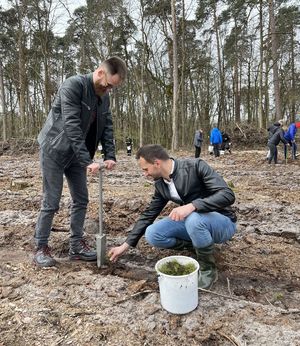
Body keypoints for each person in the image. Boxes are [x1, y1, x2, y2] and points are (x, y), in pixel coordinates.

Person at [34, 57, 127, 267]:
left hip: (77, 154)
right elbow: (71, 125)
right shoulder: (73, 85)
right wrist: (88, 160)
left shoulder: (104, 97)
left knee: (82, 199)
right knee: (51, 201)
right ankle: (40, 246)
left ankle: (76, 246)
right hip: (54, 150)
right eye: (109, 85)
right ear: (100, 72)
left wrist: (110, 155)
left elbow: (107, 126)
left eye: (114, 87)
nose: (109, 89)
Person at [108, 144, 237, 289]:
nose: (145, 174)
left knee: (194, 219)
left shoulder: (195, 166)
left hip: (223, 222)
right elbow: (148, 215)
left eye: (146, 169)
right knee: (152, 233)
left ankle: (208, 270)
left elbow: (227, 195)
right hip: (194, 223)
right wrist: (124, 246)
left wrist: (192, 205)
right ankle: (200, 246)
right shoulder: (161, 184)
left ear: (157, 163)